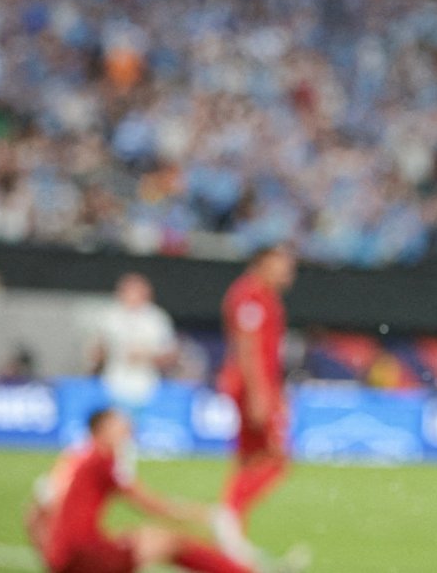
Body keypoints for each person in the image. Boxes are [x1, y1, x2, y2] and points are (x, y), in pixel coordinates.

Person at [25, 407, 291, 573]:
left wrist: (51, 556)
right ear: (102, 429)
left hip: (67, 554)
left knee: (156, 540)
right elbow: (146, 503)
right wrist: (199, 515)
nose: (128, 428)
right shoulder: (101, 460)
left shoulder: (73, 458)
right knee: (171, 543)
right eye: (120, 423)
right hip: (84, 553)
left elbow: (34, 512)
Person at [212, 245, 296, 556]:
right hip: (251, 386)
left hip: (255, 385)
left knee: (248, 460)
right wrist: (261, 395)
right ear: (262, 264)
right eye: (282, 265)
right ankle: (228, 513)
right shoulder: (251, 296)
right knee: (277, 460)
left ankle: (232, 538)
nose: (289, 272)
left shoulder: (262, 296)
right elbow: (248, 348)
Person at [87, 273, 178, 412]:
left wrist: (147, 357)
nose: (132, 295)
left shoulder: (157, 319)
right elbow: (96, 352)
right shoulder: (109, 317)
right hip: (112, 383)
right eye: (128, 290)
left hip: (147, 387)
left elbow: (170, 356)